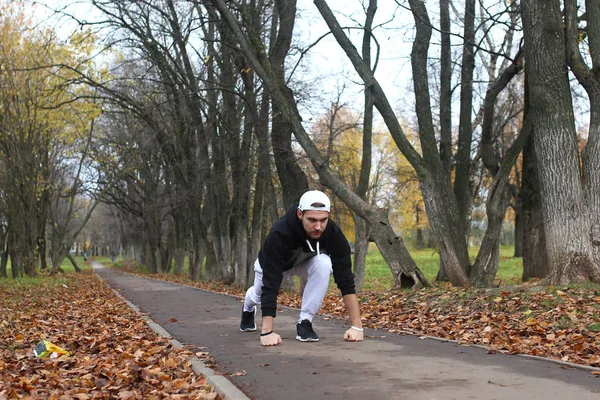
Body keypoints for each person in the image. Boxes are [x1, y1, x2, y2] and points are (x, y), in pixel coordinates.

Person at [240, 190, 364, 346]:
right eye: (312, 220)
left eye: (323, 220)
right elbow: (271, 282)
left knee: (324, 263)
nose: (318, 226)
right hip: (271, 265)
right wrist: (267, 332)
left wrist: (357, 327)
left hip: (303, 263)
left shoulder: (333, 234)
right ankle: (248, 306)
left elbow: (345, 279)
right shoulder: (279, 233)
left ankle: (305, 321)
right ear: (300, 214)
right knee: (257, 294)